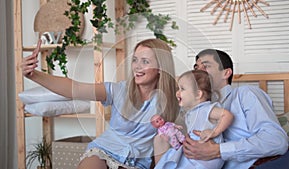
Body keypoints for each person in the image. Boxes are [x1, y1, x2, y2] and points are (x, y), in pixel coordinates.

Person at [21, 38, 181, 169]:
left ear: (161, 67)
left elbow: (200, 93)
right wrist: (34, 75)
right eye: (135, 60)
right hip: (104, 151)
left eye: (145, 61)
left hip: (136, 162)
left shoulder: (173, 97)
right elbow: (74, 88)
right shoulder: (119, 90)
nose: (137, 66)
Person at [183, 49, 289, 169]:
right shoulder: (197, 111)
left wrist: (218, 150)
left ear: (226, 73)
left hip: (274, 161)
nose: (198, 72)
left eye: (206, 66)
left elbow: (275, 141)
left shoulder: (245, 94)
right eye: (196, 68)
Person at [155, 70, 233, 169]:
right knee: (172, 156)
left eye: (182, 89)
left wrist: (214, 132)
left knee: (173, 158)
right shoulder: (192, 112)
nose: (177, 93)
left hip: (206, 159)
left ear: (198, 94)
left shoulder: (206, 108)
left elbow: (227, 115)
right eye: (178, 88)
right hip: (195, 155)